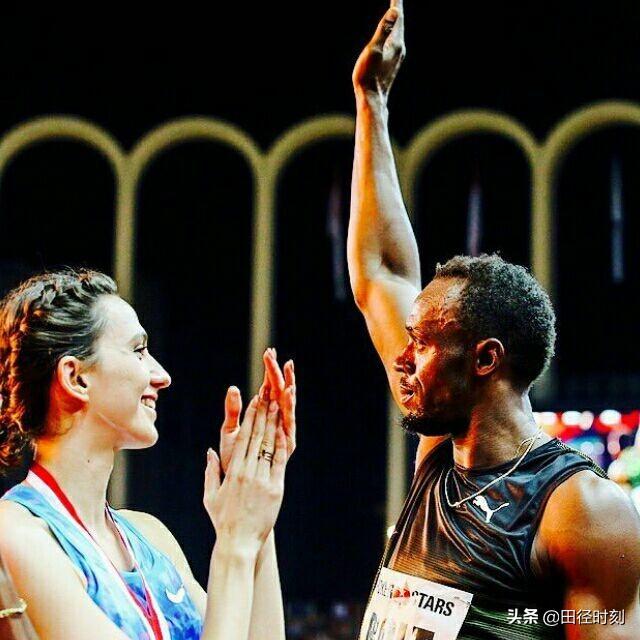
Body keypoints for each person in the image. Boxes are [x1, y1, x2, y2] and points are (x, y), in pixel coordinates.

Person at [348, 2, 640, 638]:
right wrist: (372, 103)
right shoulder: (441, 454)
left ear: (484, 359)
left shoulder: (581, 511)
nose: (402, 357)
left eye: (421, 342)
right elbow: (382, 272)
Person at [0, 268, 296, 640]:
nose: (162, 375)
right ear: (76, 378)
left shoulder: (151, 537)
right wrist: (234, 543)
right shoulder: (15, 534)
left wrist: (255, 510)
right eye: (139, 351)